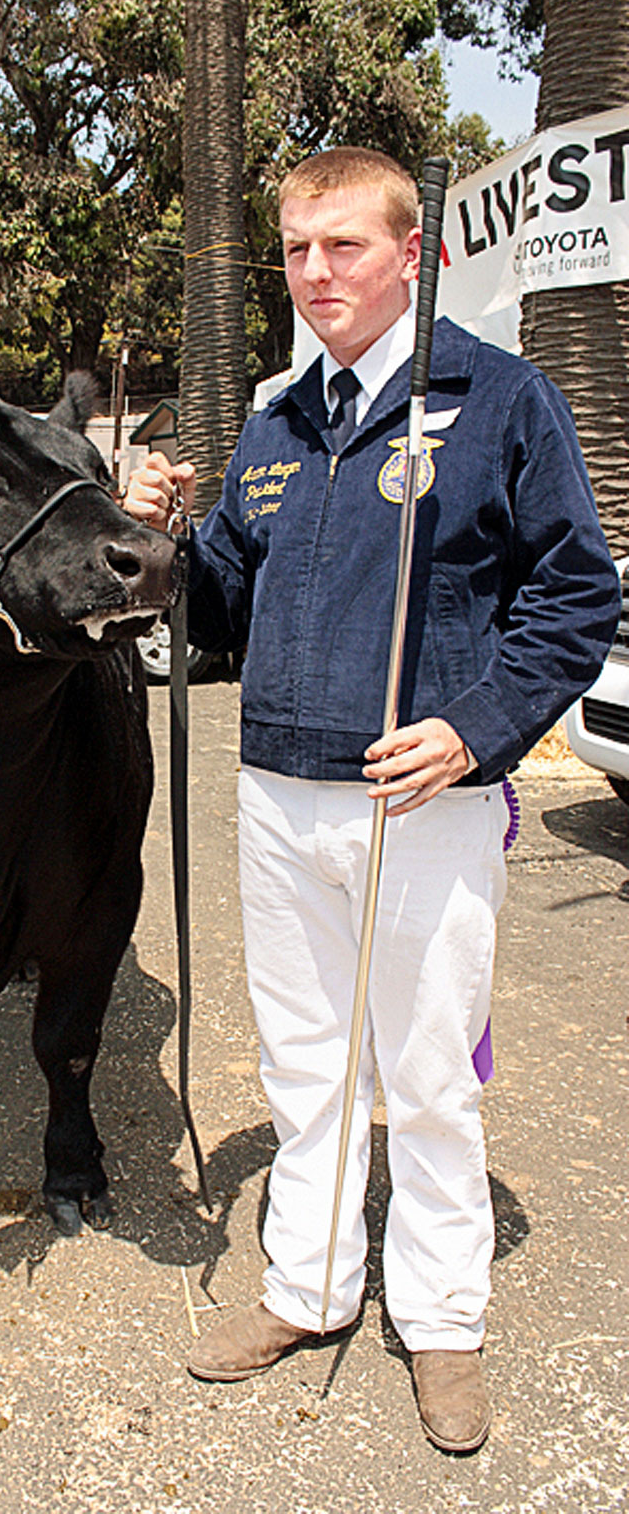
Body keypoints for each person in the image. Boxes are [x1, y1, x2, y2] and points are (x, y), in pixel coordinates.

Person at [125, 147, 620, 1453]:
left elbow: (578, 600)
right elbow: (223, 606)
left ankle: (446, 1316)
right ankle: (312, 1287)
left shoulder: (500, 399)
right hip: (279, 794)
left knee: (427, 1073)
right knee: (305, 1063)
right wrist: (165, 538)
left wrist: (475, 728)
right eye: (295, 249)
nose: (314, 272)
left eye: (342, 245)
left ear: (414, 252)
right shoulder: (279, 419)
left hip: (425, 798)